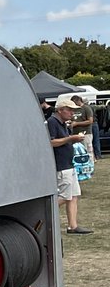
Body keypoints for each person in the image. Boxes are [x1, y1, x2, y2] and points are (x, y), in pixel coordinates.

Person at [48, 98, 92, 234]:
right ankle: (42, 214)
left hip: (69, 164)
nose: (72, 113)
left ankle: (73, 226)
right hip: (61, 165)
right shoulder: (52, 122)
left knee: (73, 195)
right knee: (65, 196)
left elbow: (62, 142)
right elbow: (51, 142)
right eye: (70, 110)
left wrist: (72, 140)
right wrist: (70, 139)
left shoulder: (62, 123)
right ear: (60, 110)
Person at [67, 94, 98, 161]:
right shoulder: (74, 109)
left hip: (85, 133)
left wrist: (77, 123)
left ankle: (90, 164)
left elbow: (90, 121)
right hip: (75, 134)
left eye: (74, 102)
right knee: (78, 151)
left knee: (87, 150)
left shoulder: (86, 108)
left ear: (78, 101)